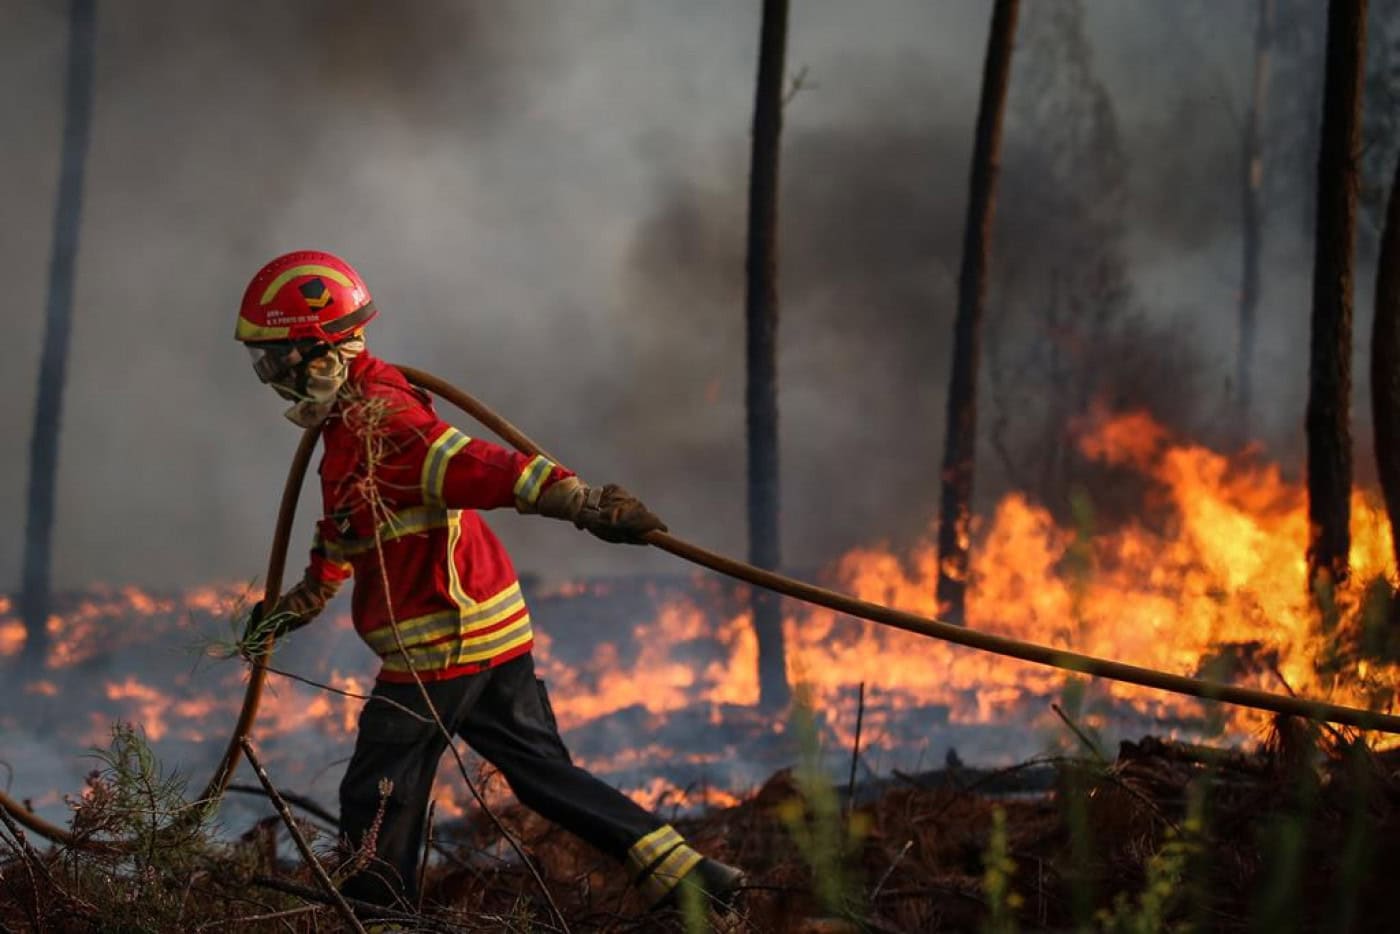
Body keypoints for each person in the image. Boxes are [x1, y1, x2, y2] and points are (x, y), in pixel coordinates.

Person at [233, 250, 743, 911]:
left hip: (441, 644)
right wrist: (311, 591)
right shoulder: (351, 425)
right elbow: (353, 520)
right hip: (490, 633)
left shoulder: (387, 422)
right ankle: (692, 878)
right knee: (543, 778)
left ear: (321, 350)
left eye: (277, 359)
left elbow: (484, 467)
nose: (271, 378)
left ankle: (382, 923)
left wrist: (582, 504)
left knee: (377, 795)